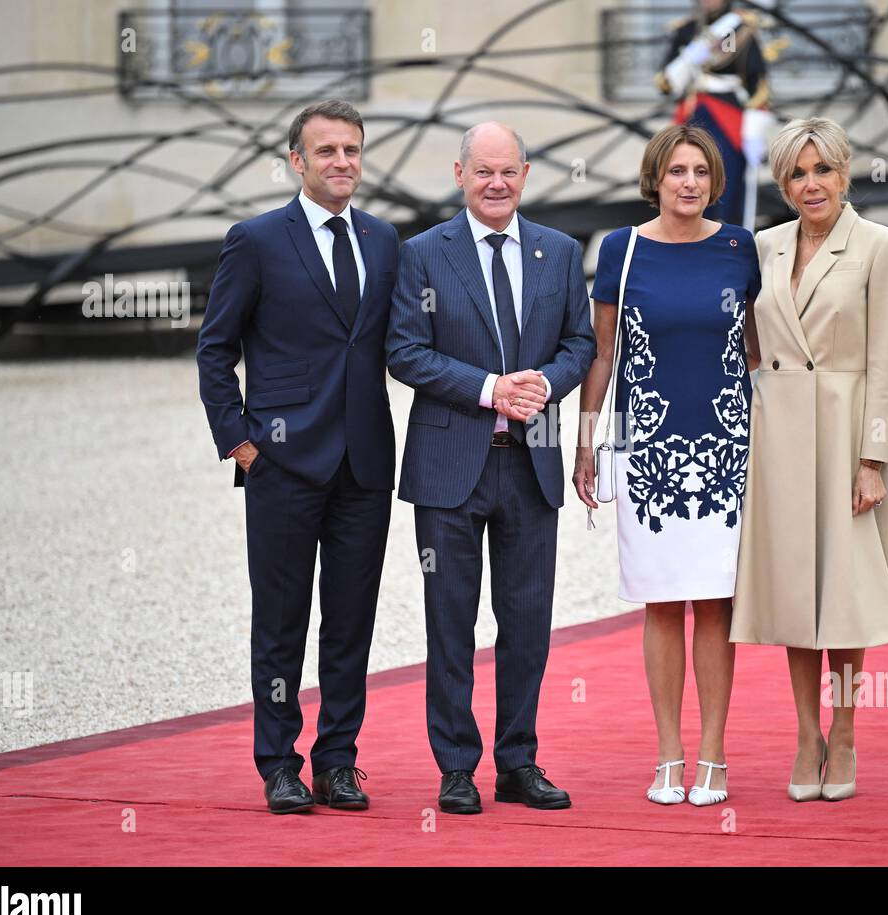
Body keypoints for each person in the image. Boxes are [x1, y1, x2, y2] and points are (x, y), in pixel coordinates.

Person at [386, 122, 596, 815]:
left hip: (531, 463)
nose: (497, 183)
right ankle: (455, 767)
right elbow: (405, 352)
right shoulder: (422, 255)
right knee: (450, 621)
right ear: (459, 174)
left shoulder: (560, 252)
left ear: (526, 174)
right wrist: (489, 389)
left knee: (527, 619)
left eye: (508, 171)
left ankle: (518, 762)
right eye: (484, 172)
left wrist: (545, 384)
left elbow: (580, 342)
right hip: (450, 466)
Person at [197, 100, 399, 814]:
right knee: (280, 620)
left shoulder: (383, 239)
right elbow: (216, 349)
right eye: (327, 151)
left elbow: (397, 343)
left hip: (366, 465)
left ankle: (337, 760)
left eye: (352, 149)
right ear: (297, 161)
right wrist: (241, 445)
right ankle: (278, 762)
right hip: (280, 464)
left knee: (351, 619)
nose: (342, 162)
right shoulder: (254, 241)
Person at [731, 117, 888, 804]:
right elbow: (751, 340)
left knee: (842, 593)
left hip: (844, 434)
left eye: (822, 170)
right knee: (796, 592)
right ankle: (805, 733)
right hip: (778, 433)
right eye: (796, 174)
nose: (811, 185)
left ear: (845, 172)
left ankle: (844, 731)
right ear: (782, 183)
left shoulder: (880, 246)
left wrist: (874, 457)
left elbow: (885, 361)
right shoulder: (765, 246)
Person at [574, 124, 760, 807]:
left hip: (727, 453)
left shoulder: (741, 247)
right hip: (646, 452)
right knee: (660, 603)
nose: (689, 182)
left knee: (715, 602)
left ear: (715, 181)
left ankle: (713, 753)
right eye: (677, 170)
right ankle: (668, 755)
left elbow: (756, 353)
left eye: (701, 172)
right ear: (655, 177)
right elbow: (602, 355)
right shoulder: (619, 251)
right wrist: (585, 441)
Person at [655, 0, 772, 226]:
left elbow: (758, 84)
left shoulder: (741, 27)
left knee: (727, 184)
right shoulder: (686, 29)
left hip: (728, 118)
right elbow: (665, 85)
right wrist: (688, 59)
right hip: (692, 115)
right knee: (686, 178)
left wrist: (754, 132)